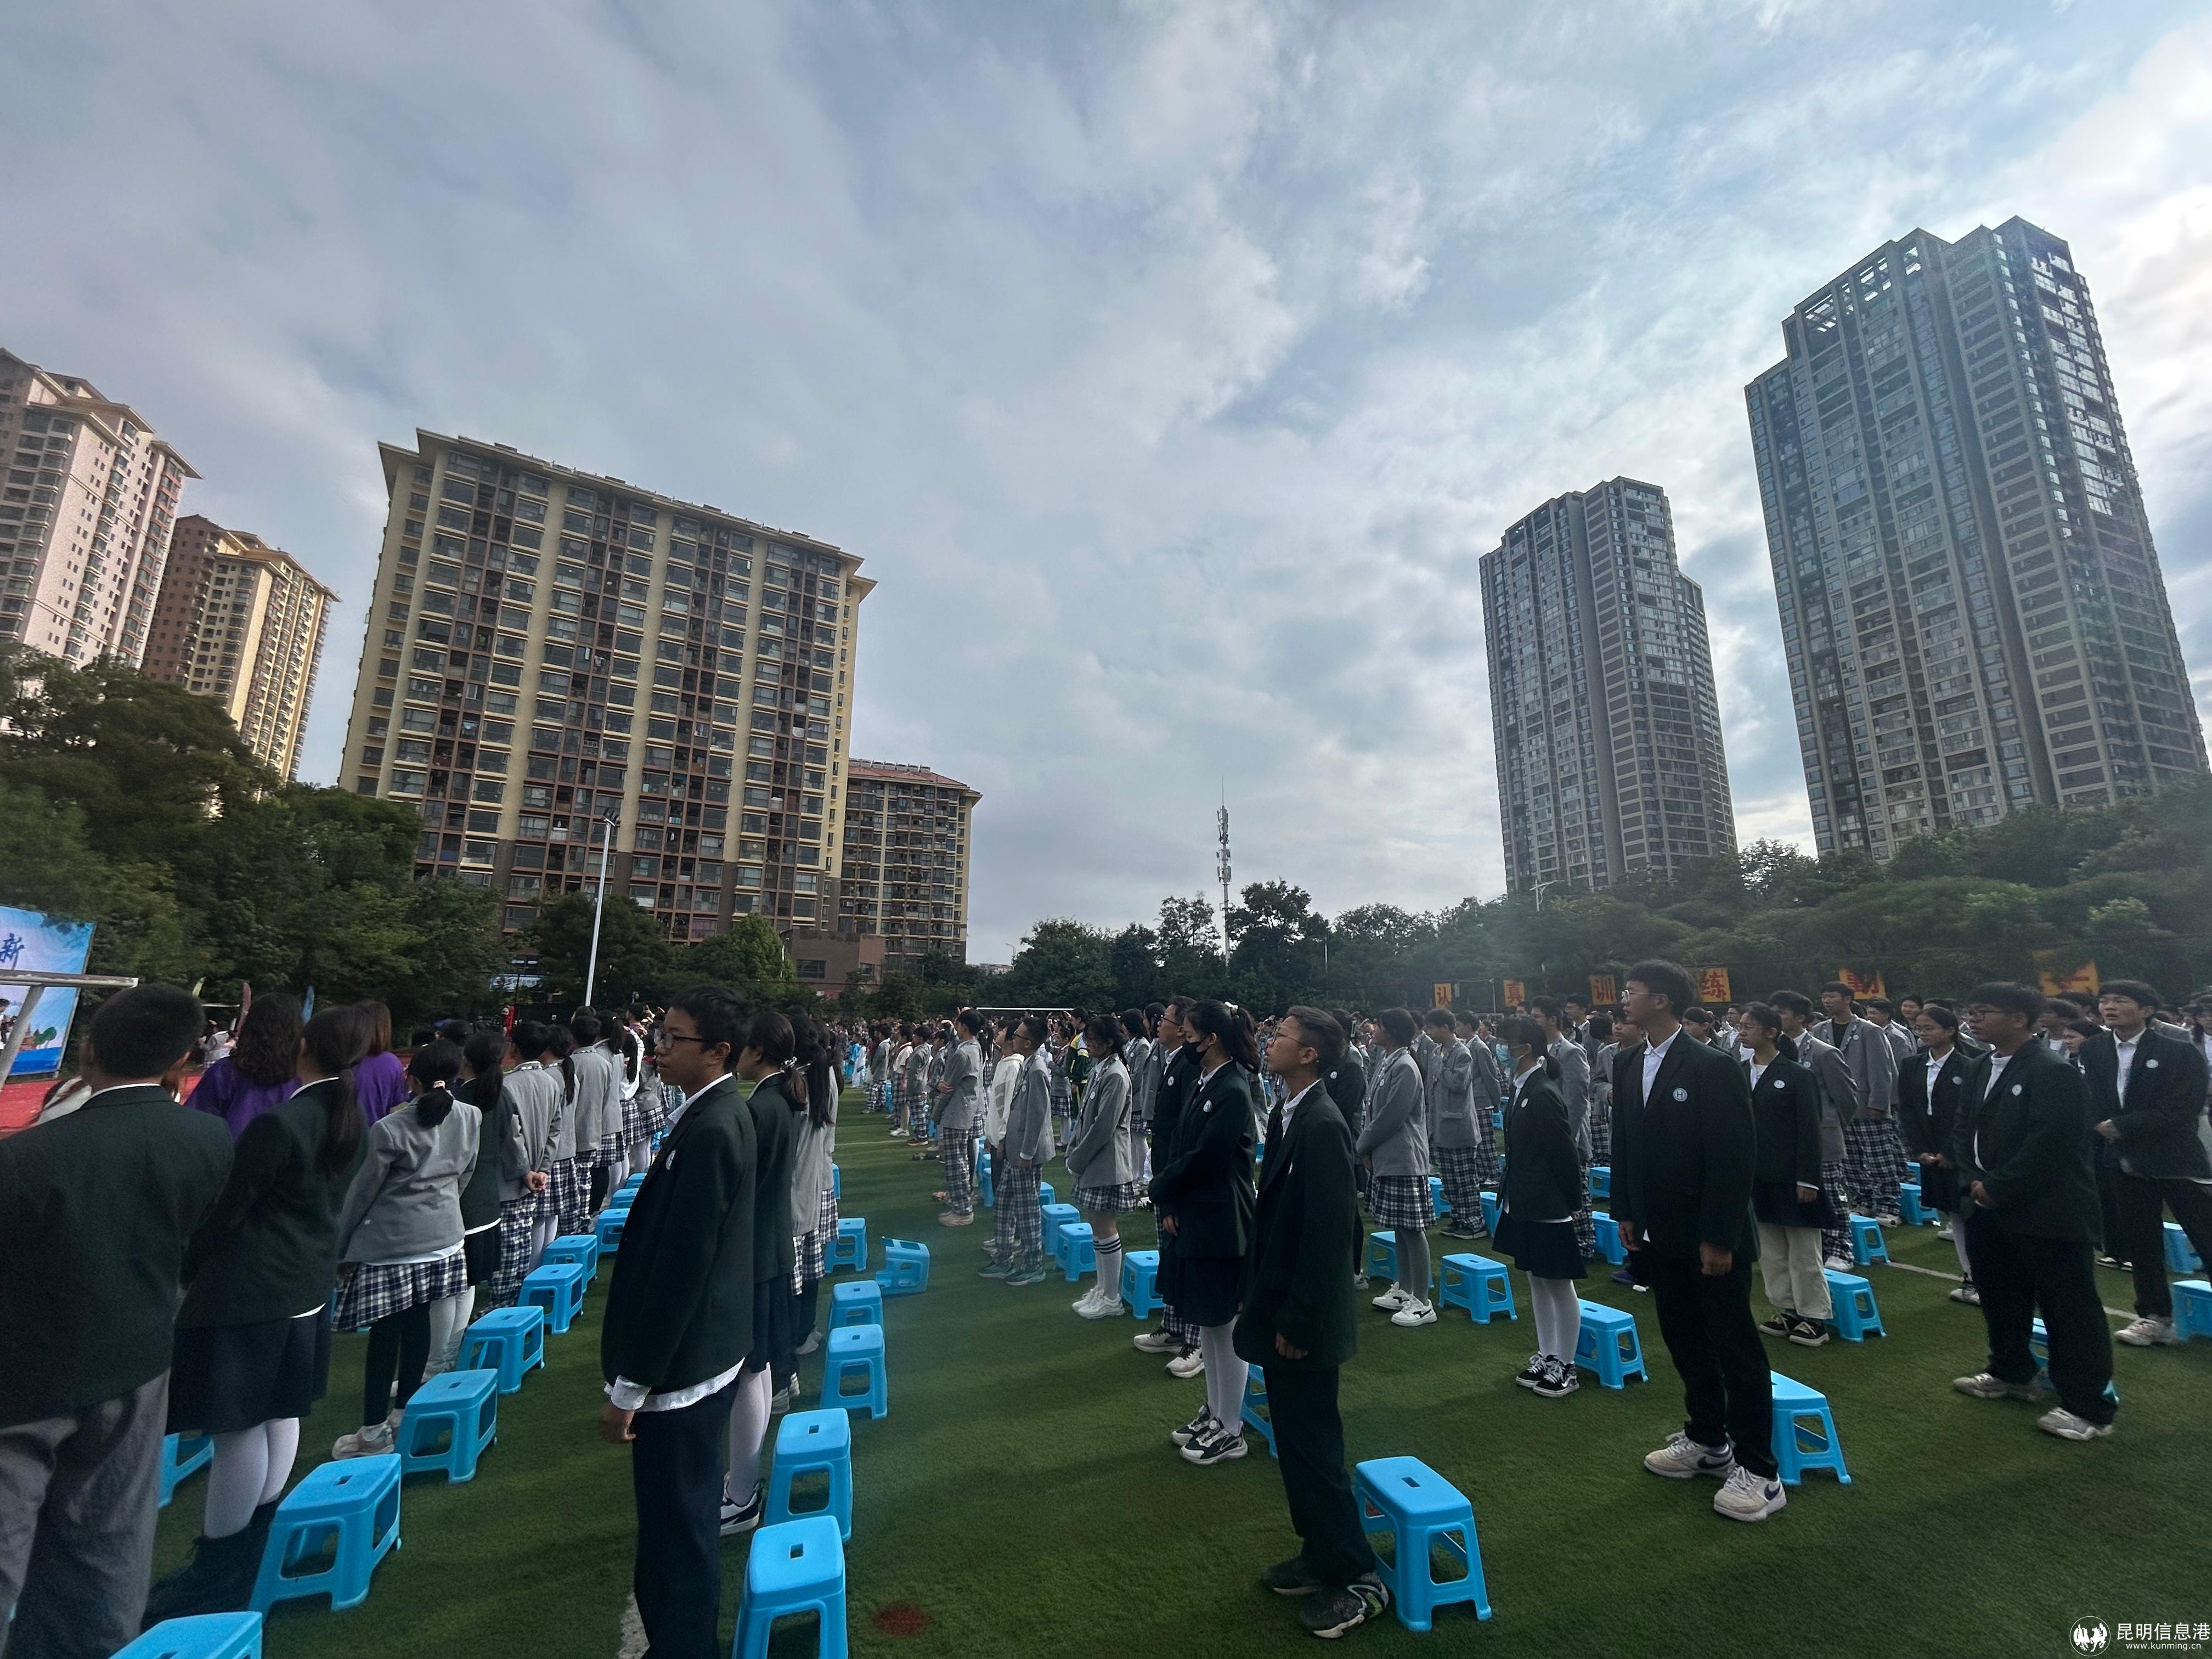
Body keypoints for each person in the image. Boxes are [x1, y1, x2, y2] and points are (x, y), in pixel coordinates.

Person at [0, 986, 234, 1659]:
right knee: (108, 1550)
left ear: (90, 1050)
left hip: (25, 1383)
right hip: (138, 1364)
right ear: (183, 1059)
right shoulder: (207, 1138)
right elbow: (200, 1247)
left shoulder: (26, 1158)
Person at [147, 1002, 373, 1618]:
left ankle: (219, 1569)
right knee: (279, 1413)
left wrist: (187, 1266)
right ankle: (254, 1546)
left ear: (306, 1048)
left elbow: (227, 1211)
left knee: (240, 1429)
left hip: (254, 1293)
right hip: (303, 1288)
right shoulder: (346, 1117)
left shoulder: (283, 1124)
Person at [598, 988, 758, 1659]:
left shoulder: (717, 1127)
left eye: (672, 1039)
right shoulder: (708, 1115)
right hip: (701, 1352)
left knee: (678, 1534)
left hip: (685, 1366)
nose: (658, 1050)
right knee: (674, 1527)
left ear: (718, 1051)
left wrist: (632, 1386)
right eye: (659, 1036)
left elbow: (681, 1269)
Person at [1237, 1009, 1389, 1638]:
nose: (1270, 1041)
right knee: (1296, 1446)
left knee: (1317, 1450)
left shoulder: (1323, 1123)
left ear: (1310, 1056)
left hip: (1307, 1319)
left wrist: (1299, 1320)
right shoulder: (1289, 1111)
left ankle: (1358, 1576)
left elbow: (1330, 1237)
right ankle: (1319, 1552)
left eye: (1282, 1037)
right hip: (1281, 1305)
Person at [1613, 960, 1781, 1523]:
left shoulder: (1711, 1065)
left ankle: (1760, 1471)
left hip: (1709, 1236)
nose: (1624, 1001)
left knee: (1736, 1349)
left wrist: (1718, 1235)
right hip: (1658, 1230)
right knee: (1683, 1338)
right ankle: (1708, 1440)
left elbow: (1733, 1157)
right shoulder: (1627, 1061)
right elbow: (1625, 1143)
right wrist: (1626, 1211)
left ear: (1661, 1000)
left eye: (1632, 992)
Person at [1951, 982, 2116, 1442]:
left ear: (2020, 1019)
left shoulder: (2052, 1070)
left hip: (2047, 1210)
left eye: (1984, 1011)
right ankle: (2012, 1372)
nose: (1973, 1019)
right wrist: (1973, 1181)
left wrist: (1998, 1186)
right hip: (1987, 1204)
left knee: (2069, 1308)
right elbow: (1963, 1129)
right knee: (2000, 1295)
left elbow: (2054, 1143)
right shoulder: (1979, 1065)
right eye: (1971, 1011)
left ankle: (2088, 1407)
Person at [329, 1040, 481, 1459]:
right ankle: (403, 1415)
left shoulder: (390, 1129)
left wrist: (343, 1247)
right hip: (444, 1238)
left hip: (394, 1245)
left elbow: (361, 1194)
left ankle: (373, 1433)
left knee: (385, 1338)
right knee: (418, 1328)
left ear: (411, 1080)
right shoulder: (470, 1116)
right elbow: (465, 1174)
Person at [1153, 1000, 1260, 1465]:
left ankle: (1231, 1427)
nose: (1185, 1039)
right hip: (1200, 1212)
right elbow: (1183, 1143)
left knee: (1224, 1324)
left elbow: (1209, 1158)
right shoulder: (1207, 1080)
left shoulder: (1232, 1087)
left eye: (1191, 1033)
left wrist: (1161, 1187)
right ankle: (1216, 1412)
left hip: (1224, 1219)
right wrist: (1173, 1202)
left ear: (1211, 1038)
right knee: (1209, 1324)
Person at [2080, 980, 2212, 1348]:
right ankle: (2154, 1316)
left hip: (2176, 1159)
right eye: (2105, 1000)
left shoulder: (2178, 1051)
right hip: (2122, 1158)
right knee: (2141, 1242)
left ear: (2147, 1010)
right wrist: (2100, 1124)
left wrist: (2121, 1127)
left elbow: (2183, 1107)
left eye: (2120, 1000)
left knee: (2205, 1234)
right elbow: (2091, 1097)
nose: (2109, 1007)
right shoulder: (2094, 1048)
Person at [719, 1010, 802, 1538]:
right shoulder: (775, 1100)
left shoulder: (762, 1107)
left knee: (748, 1368)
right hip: (770, 1247)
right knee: (760, 1362)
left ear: (757, 1052)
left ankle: (742, 1494)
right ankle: (742, 1484)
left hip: (757, 1251)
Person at [1491, 1016, 1587, 1397]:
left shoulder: (1543, 1092)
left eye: (1504, 1043)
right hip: (1523, 1199)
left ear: (1525, 1049)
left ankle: (1566, 1364)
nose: (1500, 1048)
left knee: (1558, 1283)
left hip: (1547, 1202)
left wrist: (1573, 1202)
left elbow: (1564, 1153)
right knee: (1536, 1278)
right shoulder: (1521, 1088)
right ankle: (1547, 1354)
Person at [1737, 1004, 1832, 1347]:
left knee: (1804, 1251)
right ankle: (1787, 1309)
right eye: (1741, 1025)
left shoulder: (1796, 1075)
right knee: (1771, 1250)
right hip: (1755, 1175)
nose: (1742, 1031)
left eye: (1750, 1026)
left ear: (1772, 1032)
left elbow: (1810, 1131)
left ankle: (1815, 1317)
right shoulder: (1737, 1072)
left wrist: (1808, 1179)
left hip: (1791, 1176)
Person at [1133, 999, 1206, 1375]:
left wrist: (1174, 1189)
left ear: (1182, 1029)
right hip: (1166, 1174)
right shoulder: (1173, 1060)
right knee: (1171, 1257)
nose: (1157, 1024)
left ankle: (1196, 1339)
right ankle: (1174, 1325)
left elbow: (1185, 1132)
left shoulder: (1192, 1066)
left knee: (1186, 1256)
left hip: (1179, 1179)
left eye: (1165, 1019)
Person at [436, 1028, 511, 1371]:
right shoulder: (501, 1096)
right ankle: (447, 1357)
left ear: (465, 1059)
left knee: (448, 1289)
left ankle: (437, 1364)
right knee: (466, 1285)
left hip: (459, 1204)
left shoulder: (458, 1103)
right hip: (487, 1203)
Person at [1356, 1009, 1436, 1329]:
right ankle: (1405, 1289)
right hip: (1390, 1156)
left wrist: (1363, 1145)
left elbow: (1391, 1116)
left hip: (1404, 1158)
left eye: (1378, 1025)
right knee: (1401, 1228)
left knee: (1413, 1229)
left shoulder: (1404, 1066)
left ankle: (1423, 1302)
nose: (1373, 1029)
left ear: (1391, 1031)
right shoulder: (1389, 1060)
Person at [1769, 991, 1859, 1271]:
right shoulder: (1771, 1051)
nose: (1776, 1018)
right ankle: (1814, 1249)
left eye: (1782, 1013)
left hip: (1823, 1137)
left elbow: (1846, 1099)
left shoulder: (1823, 1052)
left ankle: (1842, 1249)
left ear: (1800, 1018)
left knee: (1831, 1194)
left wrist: (1831, 1125)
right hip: (1785, 1140)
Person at [1897, 1005, 1978, 1302]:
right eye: (1919, 1028)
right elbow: (1908, 1110)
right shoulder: (1912, 1064)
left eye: (1929, 1028)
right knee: (1954, 1213)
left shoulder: (1970, 1065)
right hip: (1929, 1151)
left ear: (1950, 1031)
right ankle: (1970, 1276)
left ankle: (1984, 1278)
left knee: (1972, 1213)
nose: (1923, 1033)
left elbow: (1968, 1116)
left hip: (1961, 1153)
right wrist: (1920, 1150)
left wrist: (1949, 1152)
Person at [1068, 1012, 1142, 1318]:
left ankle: (1111, 1297)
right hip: (1096, 1160)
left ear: (1109, 1042)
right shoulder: (1103, 1069)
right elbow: (1087, 1118)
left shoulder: (1115, 1074)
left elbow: (1103, 1127)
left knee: (1104, 1226)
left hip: (1107, 1162)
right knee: (1096, 1225)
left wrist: (1077, 1159)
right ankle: (1102, 1288)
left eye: (1093, 1040)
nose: (1087, 1044)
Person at [490, 1022, 565, 1306]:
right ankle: (516, 1299)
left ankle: (503, 1304)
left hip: (512, 1179)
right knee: (522, 1243)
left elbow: (512, 1136)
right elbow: (555, 1130)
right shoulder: (550, 1081)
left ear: (514, 1048)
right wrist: (543, 1169)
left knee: (509, 1247)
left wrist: (526, 1172)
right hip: (535, 1175)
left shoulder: (507, 1085)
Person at [1817, 983, 1904, 1225]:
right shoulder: (1820, 1030)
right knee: (1850, 1160)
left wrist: (1879, 1103)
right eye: (1824, 997)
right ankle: (1863, 1201)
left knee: (1879, 1158)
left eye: (1832, 996)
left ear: (1848, 999)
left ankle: (1888, 1205)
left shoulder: (1870, 1030)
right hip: (1837, 1107)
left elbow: (1882, 1070)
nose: (1827, 1001)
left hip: (1866, 1103)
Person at [981, 1014, 1055, 1287]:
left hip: (1026, 1152)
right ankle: (1004, 1256)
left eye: (1019, 1036)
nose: (1013, 1039)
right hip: (1015, 1147)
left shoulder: (1037, 1070)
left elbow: (1037, 1115)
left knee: (1027, 1210)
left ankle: (1033, 1264)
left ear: (1030, 1043)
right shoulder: (1027, 1064)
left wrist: (1026, 1153)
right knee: (1004, 1203)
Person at [787, 1014, 840, 1364]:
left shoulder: (803, 1084)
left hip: (804, 1185)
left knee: (799, 1272)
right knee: (810, 1267)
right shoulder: (824, 1075)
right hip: (819, 1181)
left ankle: (799, 1333)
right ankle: (805, 1330)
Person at [187, 994, 302, 1139]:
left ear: (250, 1026)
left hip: (229, 1147)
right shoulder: (303, 1077)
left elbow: (195, 1123)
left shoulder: (225, 1072)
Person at [1419, 1008, 1487, 1242]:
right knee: (1449, 1179)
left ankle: (1474, 1223)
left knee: (1465, 1180)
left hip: (1459, 1128)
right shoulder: (1436, 1051)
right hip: (1440, 1126)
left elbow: (1459, 1083)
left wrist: (1440, 1066)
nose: (1428, 1032)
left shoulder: (1462, 1052)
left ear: (1445, 1028)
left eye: (1431, 1028)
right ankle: (1459, 1218)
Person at [568, 1012, 622, 1219]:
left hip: (584, 1127)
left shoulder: (574, 1062)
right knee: (598, 1171)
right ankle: (593, 1212)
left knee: (585, 1176)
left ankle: (586, 1214)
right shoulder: (606, 1059)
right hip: (599, 1123)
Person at [935, 1011, 986, 1227]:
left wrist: (936, 1112)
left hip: (957, 1112)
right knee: (960, 1160)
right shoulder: (975, 1047)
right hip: (967, 1110)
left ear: (964, 1026)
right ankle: (961, 1205)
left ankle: (962, 1210)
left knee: (956, 1163)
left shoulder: (963, 1054)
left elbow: (947, 1087)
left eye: (957, 1024)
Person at [352, 1001, 409, 1126]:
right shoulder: (392, 1063)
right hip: (377, 1133)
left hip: (338, 1134)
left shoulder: (341, 1060)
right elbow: (396, 1110)